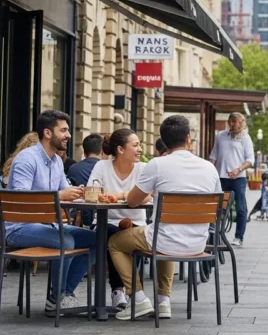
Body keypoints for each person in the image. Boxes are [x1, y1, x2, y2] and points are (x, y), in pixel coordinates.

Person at [108, 115, 221, 320]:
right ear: (188, 139)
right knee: (163, 236)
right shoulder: (209, 167)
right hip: (198, 244)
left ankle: (139, 298)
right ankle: (163, 302)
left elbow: (132, 201)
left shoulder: (157, 164)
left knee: (115, 242)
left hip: (164, 240)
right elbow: (218, 206)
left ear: (165, 143)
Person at [5, 110, 95, 312]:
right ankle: (56, 298)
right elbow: (20, 200)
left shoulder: (56, 162)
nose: (68, 135)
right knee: (66, 240)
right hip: (19, 228)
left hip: (48, 226)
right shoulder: (27, 159)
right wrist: (60, 195)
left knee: (96, 238)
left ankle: (65, 294)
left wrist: (80, 193)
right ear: (47, 133)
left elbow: (66, 192)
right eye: (63, 130)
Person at [88, 129, 149, 311]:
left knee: (123, 234)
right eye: (136, 145)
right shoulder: (102, 166)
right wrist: (124, 195)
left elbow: (147, 195)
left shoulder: (143, 169)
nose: (140, 149)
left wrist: (119, 195)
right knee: (112, 233)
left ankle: (123, 291)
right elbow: (92, 192)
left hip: (136, 224)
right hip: (105, 222)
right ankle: (121, 290)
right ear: (121, 149)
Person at [208, 112, 254, 247]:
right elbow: (214, 155)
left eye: (236, 122)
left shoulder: (245, 138)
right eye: (231, 121)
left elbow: (250, 160)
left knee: (240, 208)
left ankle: (239, 236)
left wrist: (238, 169)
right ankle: (217, 234)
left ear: (241, 123)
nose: (232, 124)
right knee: (219, 207)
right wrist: (209, 171)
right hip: (221, 177)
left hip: (238, 178)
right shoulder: (221, 136)